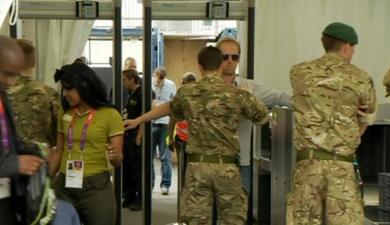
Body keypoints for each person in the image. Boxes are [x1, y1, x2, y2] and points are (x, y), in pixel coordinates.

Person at [124, 46, 269, 224]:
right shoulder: (238, 95)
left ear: (199, 66)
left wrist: (139, 120)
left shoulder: (186, 93)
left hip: (197, 168)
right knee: (232, 220)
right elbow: (263, 118)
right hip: (227, 167)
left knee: (196, 220)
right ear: (221, 65)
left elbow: (169, 110)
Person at [286, 22, 376, 225]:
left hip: (307, 165)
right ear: (346, 46)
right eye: (353, 48)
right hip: (341, 166)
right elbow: (367, 114)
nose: (353, 53)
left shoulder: (298, 72)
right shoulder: (361, 78)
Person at [49, 62, 124, 225]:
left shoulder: (110, 115)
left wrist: (115, 156)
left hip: (95, 187)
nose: (65, 94)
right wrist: (46, 182)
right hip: (64, 185)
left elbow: (117, 160)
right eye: (64, 89)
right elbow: (59, 150)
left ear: (84, 86)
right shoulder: (65, 113)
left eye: (69, 89)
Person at [216, 37, 291, 193]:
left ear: (239, 60)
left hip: (240, 164)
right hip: (210, 164)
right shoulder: (204, 89)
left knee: (238, 215)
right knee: (206, 216)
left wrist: (318, 106)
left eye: (234, 57)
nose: (230, 61)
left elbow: (281, 98)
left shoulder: (249, 87)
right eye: (225, 57)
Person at [0, 35, 46, 225]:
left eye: (16, 75)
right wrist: (15, 164)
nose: (11, 82)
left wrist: (30, 153)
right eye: (8, 73)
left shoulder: (3, 96)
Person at [7, 39, 60, 148]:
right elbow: (58, 135)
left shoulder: (4, 93)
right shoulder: (49, 94)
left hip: (7, 160)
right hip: (41, 158)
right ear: (34, 62)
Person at [121, 68, 154, 210]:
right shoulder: (130, 94)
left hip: (136, 135)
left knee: (137, 169)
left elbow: (145, 116)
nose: (122, 83)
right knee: (127, 168)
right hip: (127, 135)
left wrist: (140, 135)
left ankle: (140, 199)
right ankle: (129, 197)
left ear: (132, 79)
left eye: (124, 80)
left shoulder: (143, 94)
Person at [151, 67, 176, 195]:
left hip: (165, 124)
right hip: (151, 123)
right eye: (157, 80)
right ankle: (149, 183)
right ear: (154, 76)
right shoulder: (149, 83)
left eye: (161, 80)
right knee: (148, 156)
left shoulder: (171, 85)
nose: (158, 83)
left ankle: (165, 184)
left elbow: (174, 104)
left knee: (165, 157)